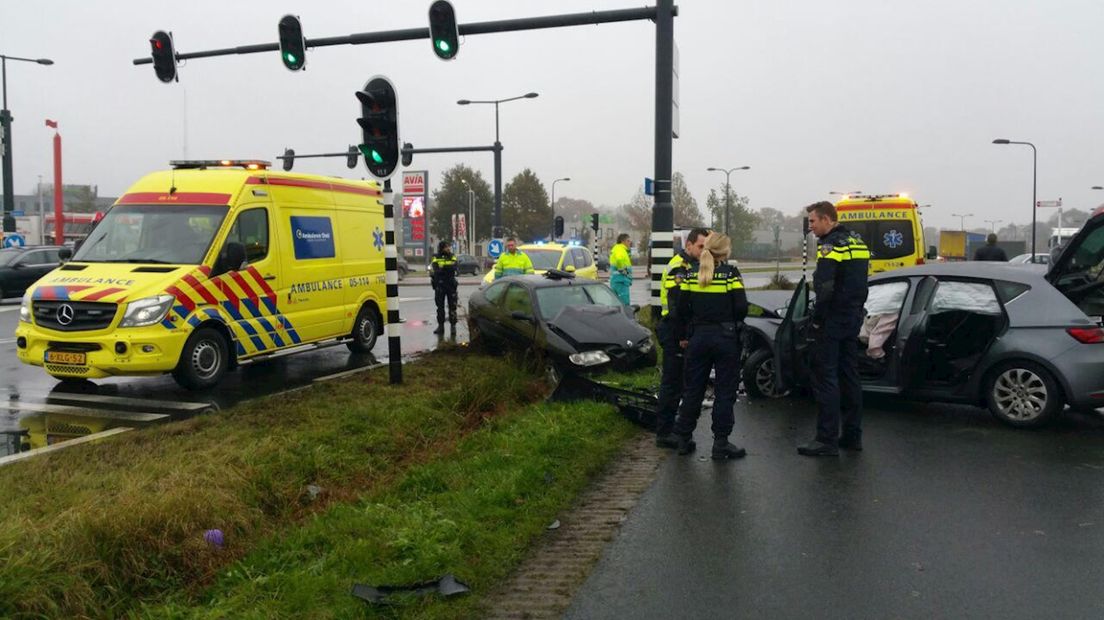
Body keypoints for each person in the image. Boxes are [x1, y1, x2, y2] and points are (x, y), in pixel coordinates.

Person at [799, 201, 870, 456]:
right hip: (852, 317)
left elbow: (825, 287)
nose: (811, 226)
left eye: (813, 221)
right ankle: (852, 435)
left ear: (828, 219)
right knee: (849, 376)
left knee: (825, 377)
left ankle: (825, 439)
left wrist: (817, 320)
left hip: (832, 319)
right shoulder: (857, 241)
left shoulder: (829, 245)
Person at [671, 233, 749, 461]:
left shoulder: (690, 273)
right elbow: (742, 307)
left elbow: (681, 308)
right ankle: (721, 444)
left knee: (693, 389)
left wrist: (685, 333)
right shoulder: (730, 274)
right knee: (725, 391)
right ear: (724, 252)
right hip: (725, 338)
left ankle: (684, 439)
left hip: (698, 338)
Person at [654, 228, 710, 449]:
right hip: (674, 330)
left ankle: (673, 426)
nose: (703, 250)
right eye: (700, 247)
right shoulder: (679, 267)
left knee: (682, 382)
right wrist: (681, 337)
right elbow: (677, 307)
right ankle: (664, 432)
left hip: (682, 329)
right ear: (689, 245)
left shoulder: (691, 265)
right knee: (672, 383)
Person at [430, 240, 459, 335]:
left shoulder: (452, 256)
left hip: (450, 285)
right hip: (440, 285)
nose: (448, 248)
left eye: (449, 246)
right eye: (446, 247)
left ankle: (453, 326)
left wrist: (443, 267)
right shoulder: (435, 257)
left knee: (452, 306)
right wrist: (446, 268)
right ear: (442, 248)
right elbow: (436, 269)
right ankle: (440, 326)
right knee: (440, 307)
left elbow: (454, 268)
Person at [609, 233, 633, 305]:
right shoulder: (620, 250)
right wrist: (627, 274)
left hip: (617, 280)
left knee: (616, 303)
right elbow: (619, 261)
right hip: (621, 280)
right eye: (628, 241)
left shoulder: (616, 249)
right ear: (623, 241)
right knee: (624, 303)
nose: (630, 243)